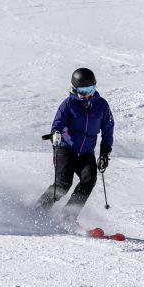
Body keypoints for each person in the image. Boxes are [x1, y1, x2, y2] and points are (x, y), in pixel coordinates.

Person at [36, 68, 115, 226]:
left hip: (86, 153)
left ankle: (68, 216)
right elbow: (58, 123)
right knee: (63, 184)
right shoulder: (68, 104)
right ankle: (39, 209)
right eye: (83, 91)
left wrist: (104, 153)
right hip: (66, 149)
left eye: (90, 90)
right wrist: (56, 133)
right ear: (74, 89)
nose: (87, 94)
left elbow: (108, 129)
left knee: (89, 179)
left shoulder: (102, 105)